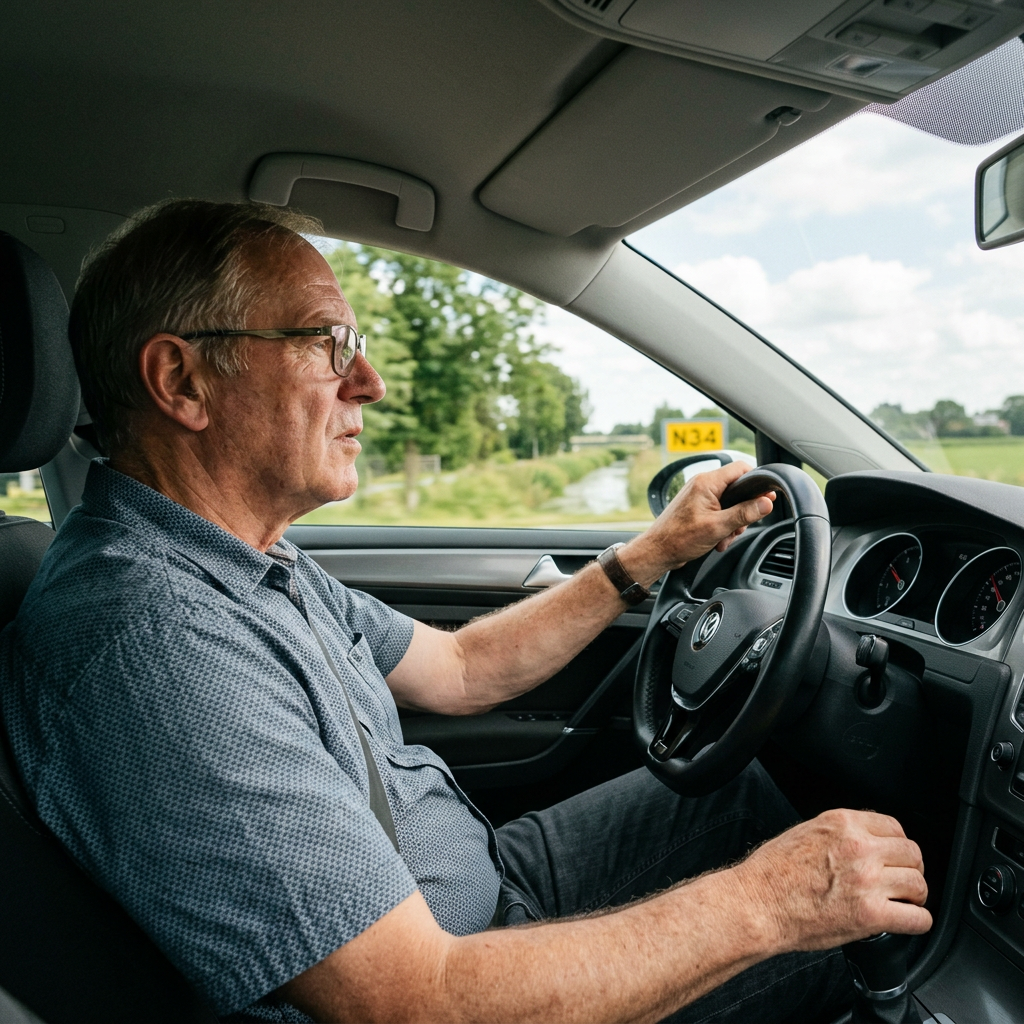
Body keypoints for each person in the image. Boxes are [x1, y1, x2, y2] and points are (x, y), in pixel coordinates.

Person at [0, 201, 930, 1024]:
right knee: (865, 942)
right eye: (328, 343)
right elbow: (413, 1002)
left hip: (482, 891)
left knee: (763, 789)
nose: (369, 383)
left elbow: (460, 669)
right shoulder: (154, 643)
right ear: (182, 382)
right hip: (453, 978)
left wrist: (651, 555)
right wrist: (768, 908)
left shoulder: (241, 559)